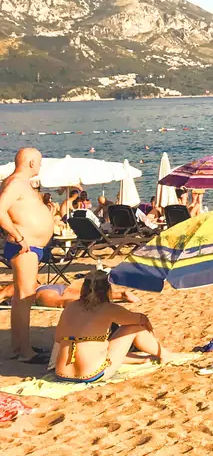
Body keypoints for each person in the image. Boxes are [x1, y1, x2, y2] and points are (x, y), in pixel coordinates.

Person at [51, 270, 180, 383]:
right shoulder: (108, 308)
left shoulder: (70, 307)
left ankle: (141, 359)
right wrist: (148, 327)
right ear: (108, 290)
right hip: (91, 374)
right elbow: (140, 319)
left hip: (62, 373)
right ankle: (164, 354)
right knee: (134, 328)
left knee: (97, 344)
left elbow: (58, 339)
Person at [0, 148, 53, 363]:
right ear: (31, 163)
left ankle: (18, 346)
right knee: (24, 297)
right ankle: (24, 352)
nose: (40, 166)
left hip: (30, 246)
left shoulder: (21, 184)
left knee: (22, 297)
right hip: (25, 246)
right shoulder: (15, 183)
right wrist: (18, 236)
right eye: (39, 162)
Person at [1, 279, 137, 308]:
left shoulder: (9, 288)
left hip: (41, 293)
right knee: (83, 294)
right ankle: (120, 294)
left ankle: (89, 304)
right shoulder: (16, 283)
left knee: (60, 303)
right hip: (55, 286)